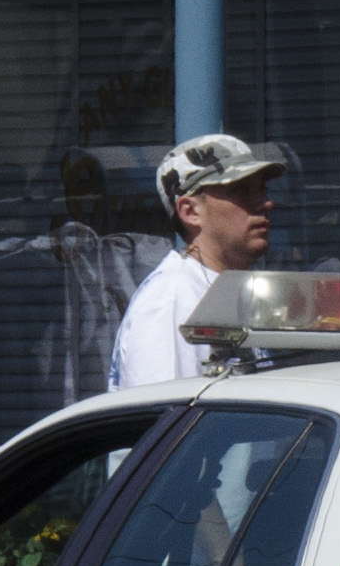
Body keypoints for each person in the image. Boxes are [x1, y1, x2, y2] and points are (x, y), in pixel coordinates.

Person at [108, 133, 283, 389]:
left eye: (262, 188)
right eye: (241, 190)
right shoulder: (173, 298)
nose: (266, 203)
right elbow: (167, 410)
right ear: (190, 212)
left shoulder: (220, 289)